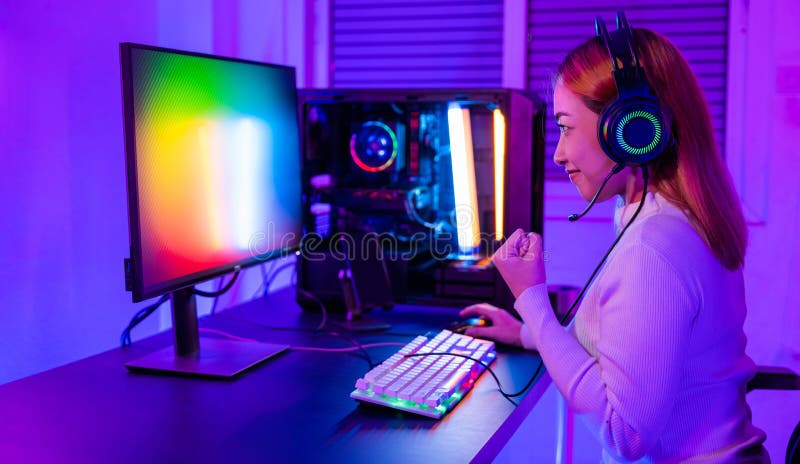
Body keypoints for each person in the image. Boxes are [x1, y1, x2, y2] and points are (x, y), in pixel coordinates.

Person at [460, 23, 769, 463]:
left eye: (566, 128)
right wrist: (528, 333)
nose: (558, 154)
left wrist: (532, 299)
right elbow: (630, 352)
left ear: (630, 130)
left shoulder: (653, 249)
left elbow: (624, 433)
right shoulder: (666, 216)